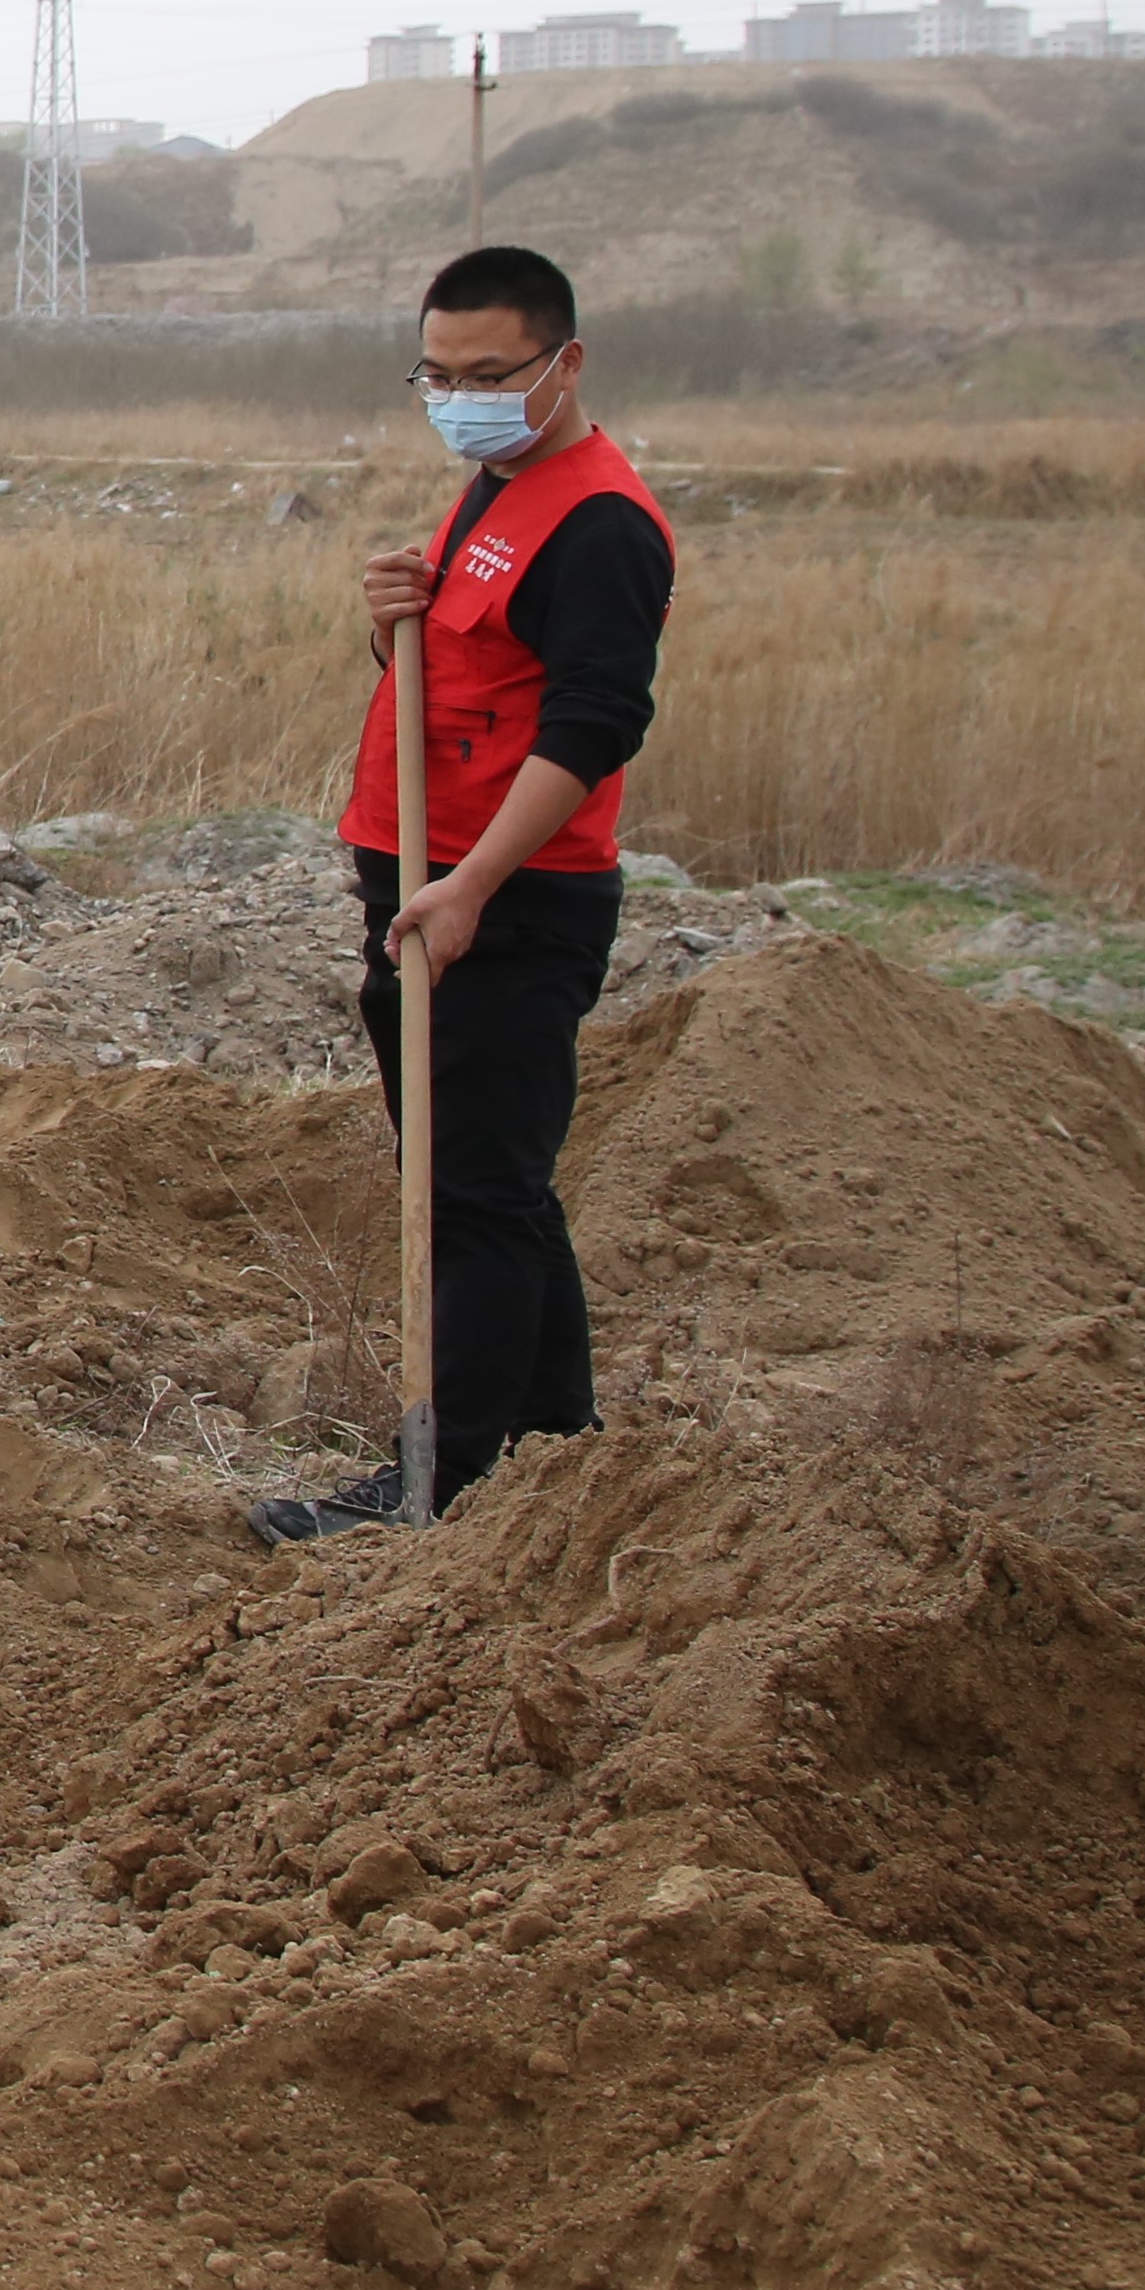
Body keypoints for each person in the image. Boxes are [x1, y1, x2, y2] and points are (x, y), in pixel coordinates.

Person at [256, 243, 675, 1547]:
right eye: (436, 375)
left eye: (489, 374)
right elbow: (467, 681)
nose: (460, 399)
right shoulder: (494, 492)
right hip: (424, 886)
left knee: (471, 1199)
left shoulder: (599, 524)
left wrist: (471, 885)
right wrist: (389, 622)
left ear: (564, 363)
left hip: (507, 901)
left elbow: (594, 722)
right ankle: (553, 1449)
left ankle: (439, 1484)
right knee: (495, 1185)